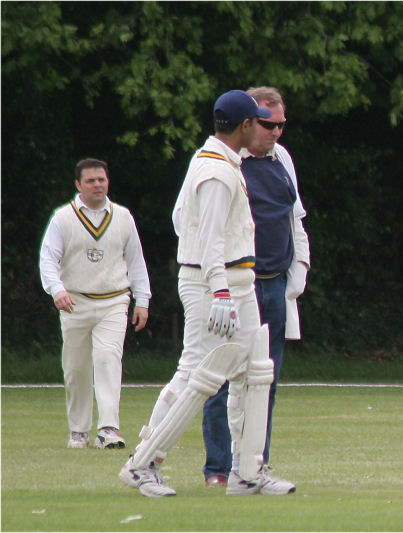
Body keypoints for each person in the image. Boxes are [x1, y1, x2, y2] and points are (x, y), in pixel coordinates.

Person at [119, 89, 295, 497]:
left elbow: (183, 218)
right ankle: (143, 463)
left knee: (255, 370)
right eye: (259, 121)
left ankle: (247, 472)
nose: (267, 129)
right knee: (196, 374)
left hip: (238, 281)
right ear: (245, 125)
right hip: (213, 284)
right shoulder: (215, 170)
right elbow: (212, 239)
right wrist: (218, 291)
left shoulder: (220, 162)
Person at [200, 86, 310, 492]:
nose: (276, 132)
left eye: (281, 125)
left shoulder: (283, 159)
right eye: (268, 124)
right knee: (220, 377)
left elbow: (295, 218)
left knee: (266, 379)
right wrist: (218, 283)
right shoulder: (224, 162)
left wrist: (296, 274)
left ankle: (255, 465)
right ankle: (217, 466)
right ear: (248, 121)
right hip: (234, 288)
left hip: (274, 287)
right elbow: (191, 224)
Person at [39, 158, 151, 450]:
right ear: (78, 184)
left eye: (101, 179)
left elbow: (136, 261)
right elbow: (48, 259)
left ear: (108, 182)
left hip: (114, 300)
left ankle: (108, 429)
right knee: (76, 368)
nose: (97, 185)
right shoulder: (62, 218)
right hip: (74, 302)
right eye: (90, 181)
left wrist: (143, 300)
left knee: (107, 358)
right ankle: (79, 431)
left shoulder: (123, 216)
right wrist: (58, 291)